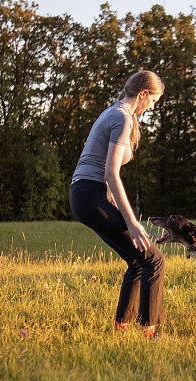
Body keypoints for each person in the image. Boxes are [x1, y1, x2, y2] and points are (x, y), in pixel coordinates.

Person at [69, 71, 165, 338]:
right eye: (153, 100)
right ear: (143, 94)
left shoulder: (115, 113)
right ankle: (151, 333)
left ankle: (122, 326)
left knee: (137, 261)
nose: (153, 106)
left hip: (84, 195)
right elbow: (111, 173)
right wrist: (132, 223)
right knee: (153, 260)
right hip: (90, 194)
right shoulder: (122, 117)